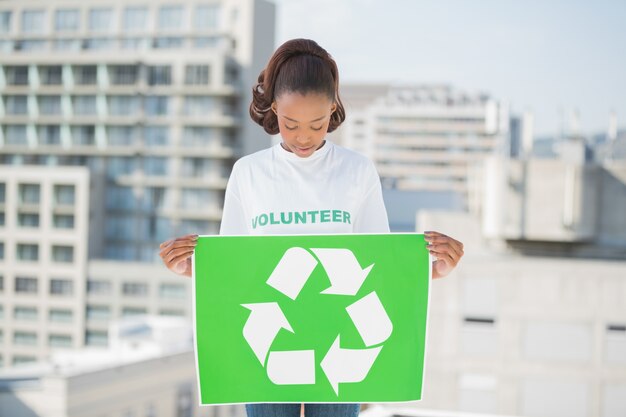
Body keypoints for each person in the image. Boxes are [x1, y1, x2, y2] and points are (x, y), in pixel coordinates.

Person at [159, 38, 464, 417]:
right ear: (274, 110)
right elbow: (235, 271)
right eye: (290, 124)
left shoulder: (357, 171)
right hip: (270, 353)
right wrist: (189, 268)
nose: (304, 137)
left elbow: (379, 270)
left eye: (317, 124)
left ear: (333, 110)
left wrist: (436, 270)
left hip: (340, 347)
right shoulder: (249, 174)